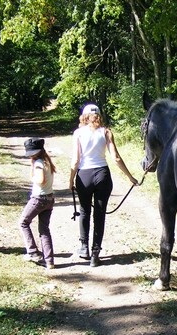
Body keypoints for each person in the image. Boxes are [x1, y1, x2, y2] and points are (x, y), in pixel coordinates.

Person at [70, 103, 138, 267]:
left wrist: (70, 180)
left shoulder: (78, 133)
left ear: (83, 116)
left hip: (84, 176)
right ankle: (95, 254)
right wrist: (130, 177)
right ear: (99, 115)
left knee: (84, 210)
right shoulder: (106, 132)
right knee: (100, 214)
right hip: (102, 175)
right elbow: (116, 158)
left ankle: (84, 247)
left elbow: (76, 161)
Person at [20, 138, 57, 270]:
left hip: (38, 199)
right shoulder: (47, 161)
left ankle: (32, 252)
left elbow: (40, 180)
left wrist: (32, 177)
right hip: (49, 199)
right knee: (44, 230)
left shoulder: (39, 163)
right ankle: (49, 261)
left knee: (23, 222)